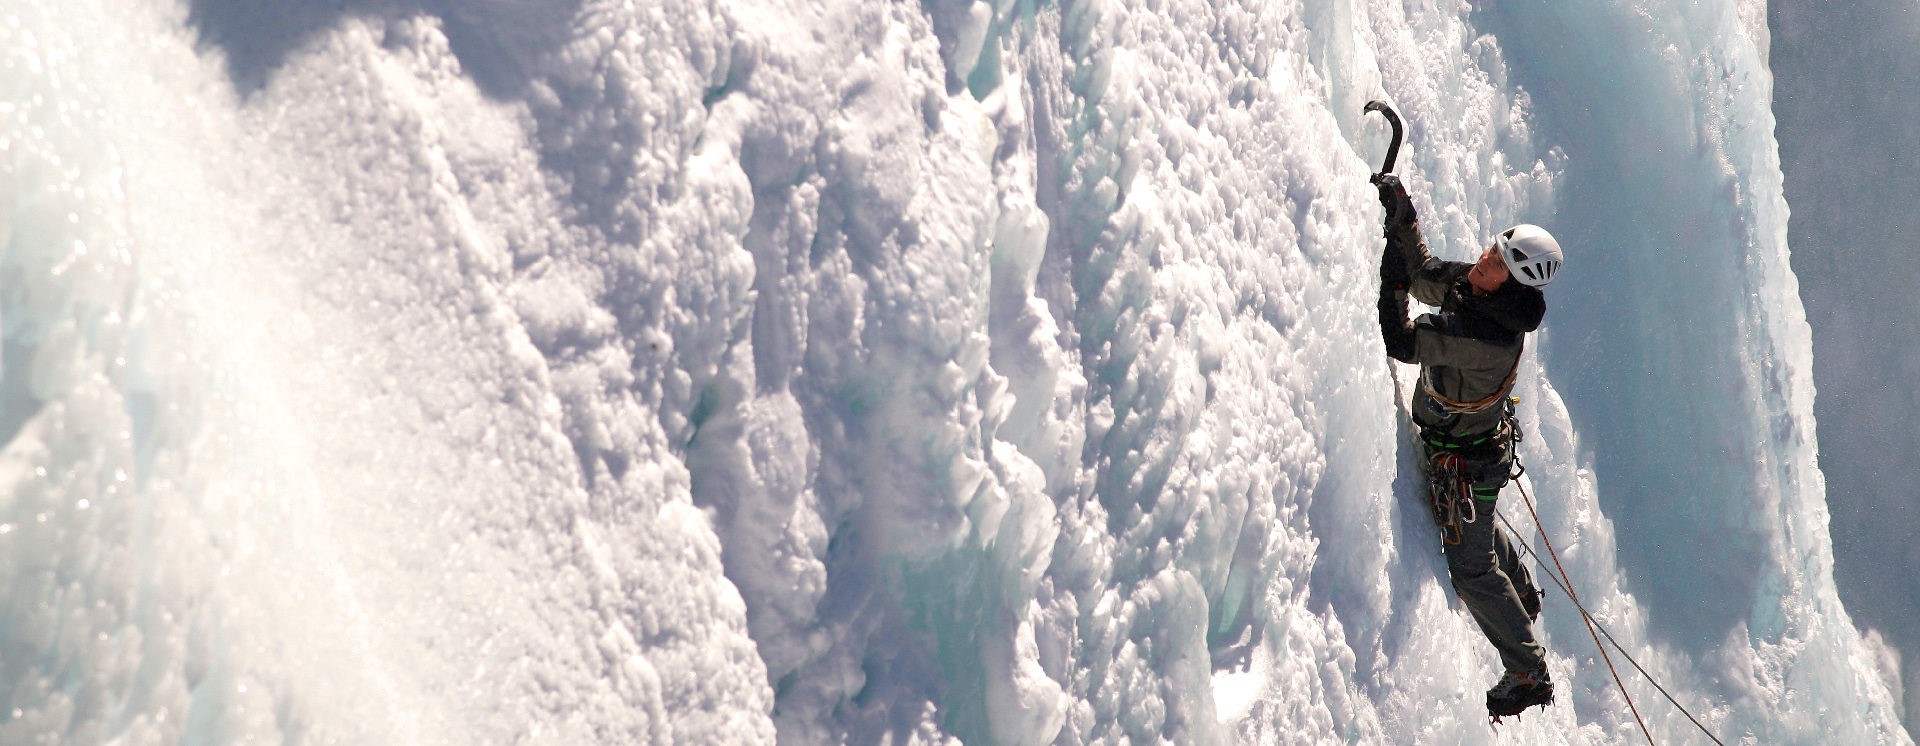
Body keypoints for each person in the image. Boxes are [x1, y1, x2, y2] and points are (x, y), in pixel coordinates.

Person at [1372, 173, 1563, 719]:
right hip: (1466, 448)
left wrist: (1390, 277)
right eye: (1493, 251)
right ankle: (1521, 597)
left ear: (1513, 286)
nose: (1484, 260)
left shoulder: (1486, 339)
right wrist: (1402, 215)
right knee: (1475, 527)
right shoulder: (1480, 293)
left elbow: (1402, 339)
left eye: (1499, 263)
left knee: (1471, 566)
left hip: (1466, 459)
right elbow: (1427, 274)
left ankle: (1527, 670)